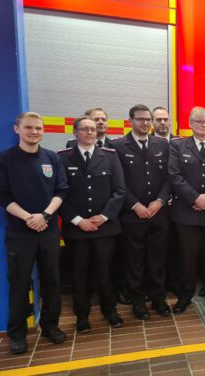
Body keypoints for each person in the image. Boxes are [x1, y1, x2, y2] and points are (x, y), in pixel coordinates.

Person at [0, 112, 68, 354]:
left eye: (38, 128)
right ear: (17, 129)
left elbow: (61, 191)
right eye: (29, 128)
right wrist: (28, 218)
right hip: (19, 232)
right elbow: (0, 195)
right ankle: (17, 334)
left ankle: (50, 327)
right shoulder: (4, 159)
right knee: (20, 284)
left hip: (48, 231)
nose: (34, 132)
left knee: (52, 282)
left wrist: (44, 216)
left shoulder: (52, 158)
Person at [58, 115, 125, 332]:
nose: (89, 133)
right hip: (77, 229)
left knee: (105, 272)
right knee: (79, 274)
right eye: (84, 129)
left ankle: (110, 311)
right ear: (75, 132)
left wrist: (104, 216)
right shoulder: (63, 158)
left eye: (93, 129)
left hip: (105, 227)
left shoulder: (110, 156)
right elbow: (60, 193)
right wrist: (78, 220)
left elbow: (119, 190)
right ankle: (82, 315)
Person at [110, 105, 171, 319]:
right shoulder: (117, 145)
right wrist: (135, 205)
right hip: (132, 214)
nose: (145, 123)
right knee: (134, 261)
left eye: (148, 119)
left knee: (158, 259)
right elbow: (117, 182)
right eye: (140, 119)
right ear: (130, 121)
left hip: (158, 213)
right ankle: (137, 302)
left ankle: (159, 299)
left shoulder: (162, 144)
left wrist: (160, 201)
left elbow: (168, 177)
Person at [168, 107, 205, 313]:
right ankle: (185, 296)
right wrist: (194, 198)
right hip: (187, 211)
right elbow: (174, 176)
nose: (204, 125)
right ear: (190, 124)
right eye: (199, 122)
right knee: (187, 256)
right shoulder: (177, 146)